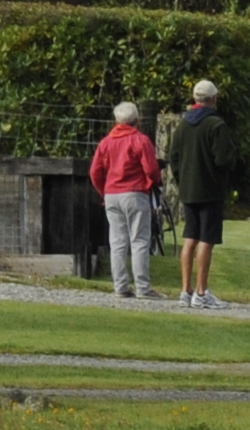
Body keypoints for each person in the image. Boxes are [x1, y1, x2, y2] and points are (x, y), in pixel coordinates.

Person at [163, 79, 239, 310]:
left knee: (190, 238)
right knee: (207, 240)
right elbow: (224, 159)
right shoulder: (216, 125)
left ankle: (185, 290)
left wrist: (182, 178)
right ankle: (201, 291)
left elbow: (173, 157)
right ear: (213, 99)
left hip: (188, 190)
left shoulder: (183, 125)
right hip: (210, 190)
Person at [89, 100, 162, 301]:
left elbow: (95, 171)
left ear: (116, 120)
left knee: (118, 242)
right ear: (136, 119)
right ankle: (143, 287)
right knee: (139, 241)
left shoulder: (106, 142)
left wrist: (104, 191)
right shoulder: (140, 140)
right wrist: (155, 181)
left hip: (112, 194)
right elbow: (151, 169)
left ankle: (120, 286)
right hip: (135, 192)